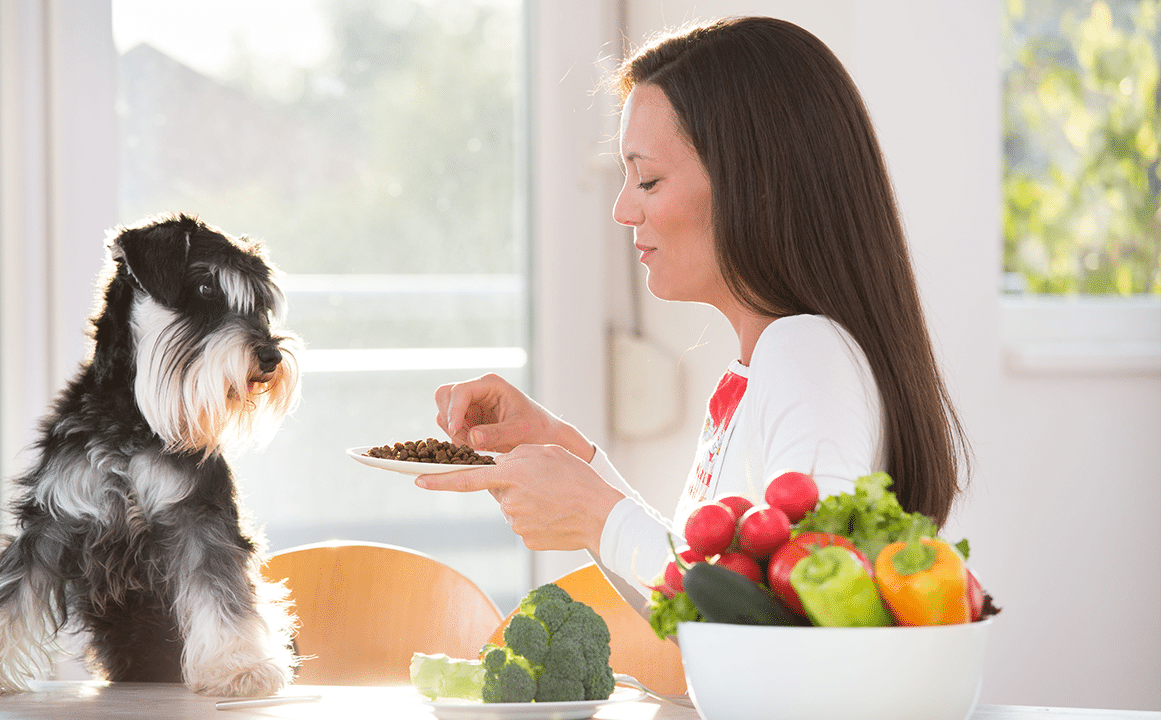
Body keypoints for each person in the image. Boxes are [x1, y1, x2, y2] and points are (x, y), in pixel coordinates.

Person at [415, 16, 971, 599]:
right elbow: (697, 607)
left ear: (752, 184)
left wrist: (596, 512)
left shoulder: (806, 355)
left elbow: (798, 620)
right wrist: (567, 453)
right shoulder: (768, 363)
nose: (623, 210)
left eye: (648, 180)